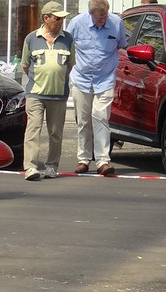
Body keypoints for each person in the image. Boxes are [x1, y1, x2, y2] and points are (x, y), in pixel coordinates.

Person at [66, 0, 127, 176]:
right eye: (99, 18)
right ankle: (83, 159)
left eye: (105, 17)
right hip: (81, 79)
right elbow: (67, 46)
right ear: (91, 13)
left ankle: (102, 161)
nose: (103, 21)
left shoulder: (116, 23)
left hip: (105, 79)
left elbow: (122, 45)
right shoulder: (77, 23)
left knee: (100, 117)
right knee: (83, 120)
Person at [19, 1, 75, 181]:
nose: (60, 22)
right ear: (46, 18)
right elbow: (26, 66)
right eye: (57, 19)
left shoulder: (68, 39)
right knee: (33, 130)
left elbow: (70, 65)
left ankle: (52, 167)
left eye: (62, 19)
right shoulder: (31, 38)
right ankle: (30, 167)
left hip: (58, 95)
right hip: (35, 93)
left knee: (56, 133)